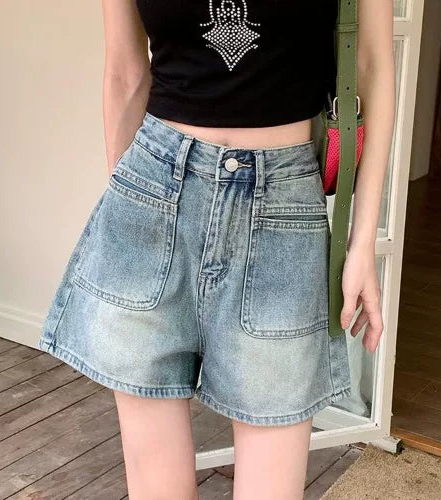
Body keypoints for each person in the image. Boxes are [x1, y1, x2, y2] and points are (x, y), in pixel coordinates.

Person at [38, 0, 394, 498]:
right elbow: (124, 73)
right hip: (152, 193)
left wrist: (361, 240)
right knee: (154, 485)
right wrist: (130, 205)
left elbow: (373, 68)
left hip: (282, 210)